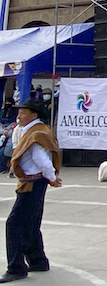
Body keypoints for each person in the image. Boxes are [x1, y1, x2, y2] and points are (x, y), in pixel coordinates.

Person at [3, 99, 61, 283]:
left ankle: (16, 267)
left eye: (23, 113)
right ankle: (37, 261)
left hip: (33, 182)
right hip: (36, 181)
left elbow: (41, 159)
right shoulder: (34, 130)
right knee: (31, 221)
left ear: (33, 115)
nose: (19, 116)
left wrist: (52, 176)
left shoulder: (36, 133)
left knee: (15, 224)